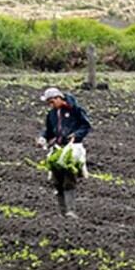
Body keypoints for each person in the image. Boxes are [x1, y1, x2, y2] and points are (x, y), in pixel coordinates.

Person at [36, 87, 92, 218]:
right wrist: (43, 138)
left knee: (69, 179)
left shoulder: (75, 110)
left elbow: (86, 125)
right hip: (57, 148)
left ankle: (71, 210)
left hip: (72, 148)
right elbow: (49, 131)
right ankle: (62, 211)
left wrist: (76, 135)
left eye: (51, 102)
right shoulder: (52, 114)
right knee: (57, 181)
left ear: (58, 98)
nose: (50, 105)